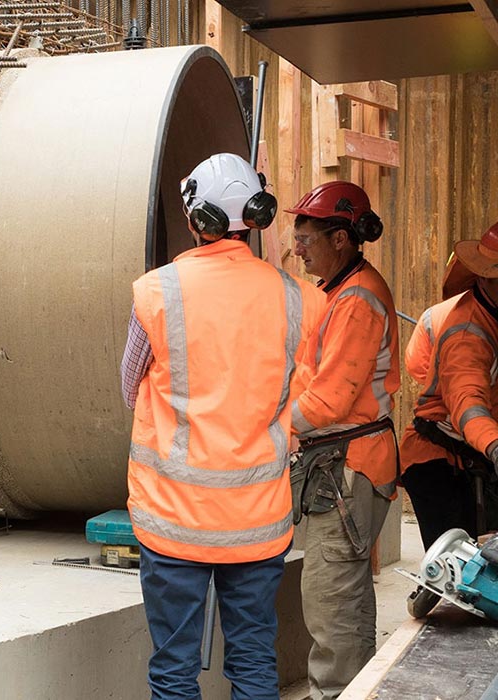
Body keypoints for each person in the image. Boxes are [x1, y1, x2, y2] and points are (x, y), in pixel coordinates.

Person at [121, 152, 325, 699]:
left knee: (174, 669)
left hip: (173, 521)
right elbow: (305, 385)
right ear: (254, 215)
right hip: (258, 523)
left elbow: (128, 384)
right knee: (255, 663)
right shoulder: (298, 298)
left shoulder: (156, 292)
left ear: (196, 218)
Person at [286, 181, 399, 700]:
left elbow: (329, 401)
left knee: (331, 596)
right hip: (344, 461)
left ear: (341, 238)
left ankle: (337, 693)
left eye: (306, 236)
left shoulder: (357, 298)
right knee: (345, 595)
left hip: (349, 463)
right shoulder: (341, 291)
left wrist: (274, 429)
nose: (297, 247)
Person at [400, 226, 498, 550]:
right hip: (440, 459)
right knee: (460, 574)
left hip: (472, 452)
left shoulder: (489, 312)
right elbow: (467, 403)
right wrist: (494, 445)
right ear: (485, 278)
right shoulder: (467, 334)